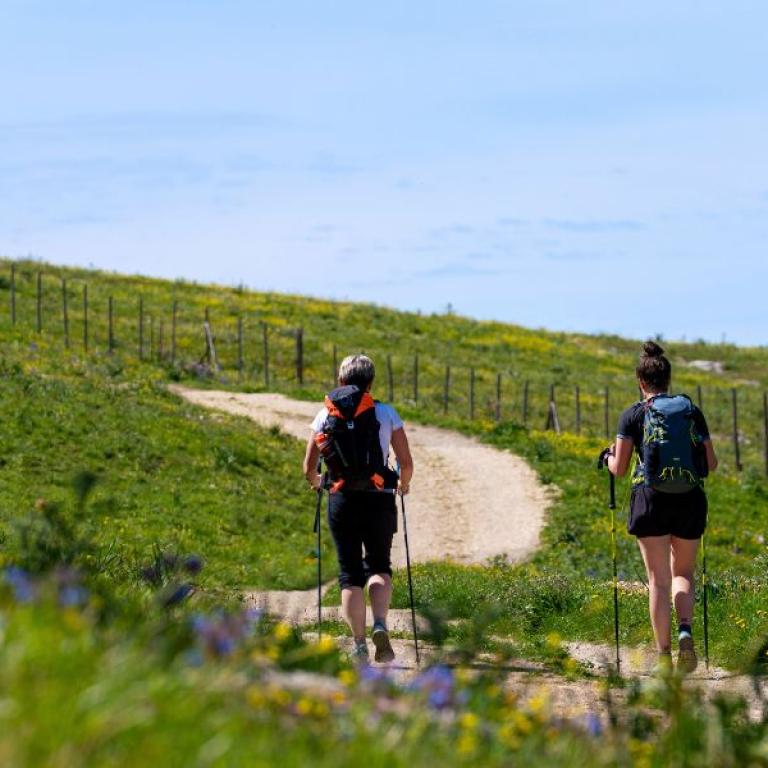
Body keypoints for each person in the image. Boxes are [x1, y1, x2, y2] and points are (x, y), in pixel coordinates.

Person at [607, 341, 717, 673]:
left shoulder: (633, 414)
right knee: (683, 573)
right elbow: (711, 463)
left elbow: (620, 468)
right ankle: (685, 631)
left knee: (659, 581)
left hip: (649, 499)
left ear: (641, 382)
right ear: (668, 380)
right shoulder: (690, 411)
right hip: (689, 499)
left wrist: (608, 457)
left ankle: (665, 658)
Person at [303, 354, 414, 663]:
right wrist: (402, 485)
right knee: (379, 566)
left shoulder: (325, 413)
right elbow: (406, 463)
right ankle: (380, 624)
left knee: (350, 574)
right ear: (371, 382)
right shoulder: (386, 412)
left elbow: (308, 466)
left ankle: (360, 645)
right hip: (379, 496)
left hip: (342, 499)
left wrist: (318, 483)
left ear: (341, 381)